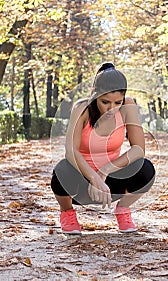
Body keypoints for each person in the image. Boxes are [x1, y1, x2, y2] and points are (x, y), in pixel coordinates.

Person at [51, 62, 156, 234]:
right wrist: (94, 178)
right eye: (105, 102)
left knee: (145, 168)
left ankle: (123, 210)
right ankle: (67, 213)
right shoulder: (81, 108)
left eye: (117, 102)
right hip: (82, 183)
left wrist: (105, 171)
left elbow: (138, 149)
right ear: (95, 95)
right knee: (61, 170)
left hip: (110, 183)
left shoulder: (128, 106)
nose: (111, 108)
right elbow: (71, 151)